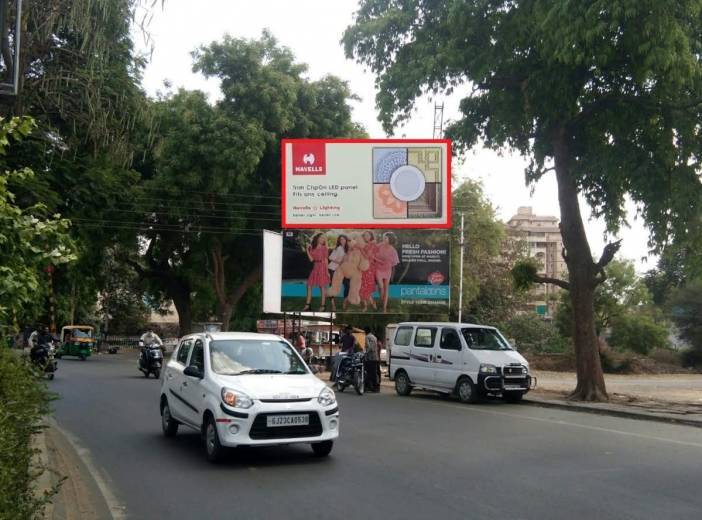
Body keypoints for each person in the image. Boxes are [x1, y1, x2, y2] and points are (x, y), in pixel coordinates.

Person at [303, 233, 331, 312]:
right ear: (318, 238)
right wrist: (307, 249)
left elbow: (326, 260)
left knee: (322, 287)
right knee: (309, 285)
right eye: (321, 238)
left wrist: (327, 271)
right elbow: (311, 260)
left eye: (324, 238)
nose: (323, 240)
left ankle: (323, 306)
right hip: (315, 267)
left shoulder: (324, 248)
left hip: (322, 267)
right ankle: (308, 305)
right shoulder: (313, 247)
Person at [375, 232, 400, 313]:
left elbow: (394, 265)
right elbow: (372, 255)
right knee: (380, 285)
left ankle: (384, 308)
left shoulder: (393, 251)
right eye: (384, 237)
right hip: (378, 269)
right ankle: (382, 300)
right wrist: (379, 261)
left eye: (385, 238)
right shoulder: (379, 246)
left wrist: (392, 275)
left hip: (387, 270)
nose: (384, 239)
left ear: (390, 240)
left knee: (386, 289)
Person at [328, 234, 349, 311]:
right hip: (333, 268)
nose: (342, 241)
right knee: (332, 286)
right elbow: (330, 257)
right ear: (339, 241)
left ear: (346, 240)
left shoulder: (348, 249)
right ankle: (333, 305)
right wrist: (339, 262)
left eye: (343, 239)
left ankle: (345, 302)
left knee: (347, 285)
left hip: (343, 270)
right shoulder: (338, 248)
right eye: (341, 239)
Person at [359, 231, 379, 311]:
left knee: (367, 286)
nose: (366, 236)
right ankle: (365, 305)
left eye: (368, 235)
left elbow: (367, 256)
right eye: (365, 235)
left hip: (369, 267)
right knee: (361, 286)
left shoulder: (372, 245)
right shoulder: (363, 244)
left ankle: (371, 302)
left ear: (371, 236)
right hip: (362, 267)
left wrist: (361, 249)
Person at [364, 327, 380, 392]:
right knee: (374, 373)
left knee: (368, 373)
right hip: (375, 357)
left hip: (370, 358)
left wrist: (365, 353)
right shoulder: (374, 337)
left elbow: (369, 347)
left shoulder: (367, 337)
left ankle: (369, 387)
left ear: (365, 332)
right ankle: (376, 387)